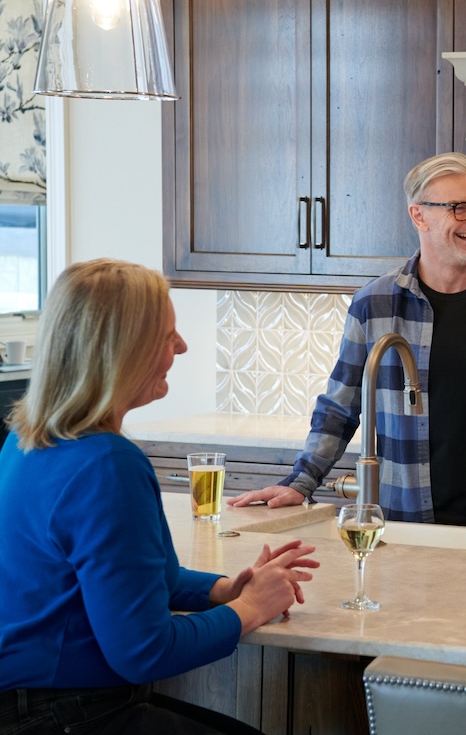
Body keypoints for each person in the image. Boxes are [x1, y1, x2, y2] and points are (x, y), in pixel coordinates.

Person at [0, 259, 318, 735]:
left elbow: (128, 577)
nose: (182, 346)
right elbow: (144, 651)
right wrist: (251, 608)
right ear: (123, 350)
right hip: (66, 715)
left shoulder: (25, 442)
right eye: (168, 334)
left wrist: (222, 590)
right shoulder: (107, 463)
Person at [230, 152, 466, 533]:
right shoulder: (375, 304)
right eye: (459, 209)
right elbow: (340, 408)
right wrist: (301, 482)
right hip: (403, 526)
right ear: (419, 215)